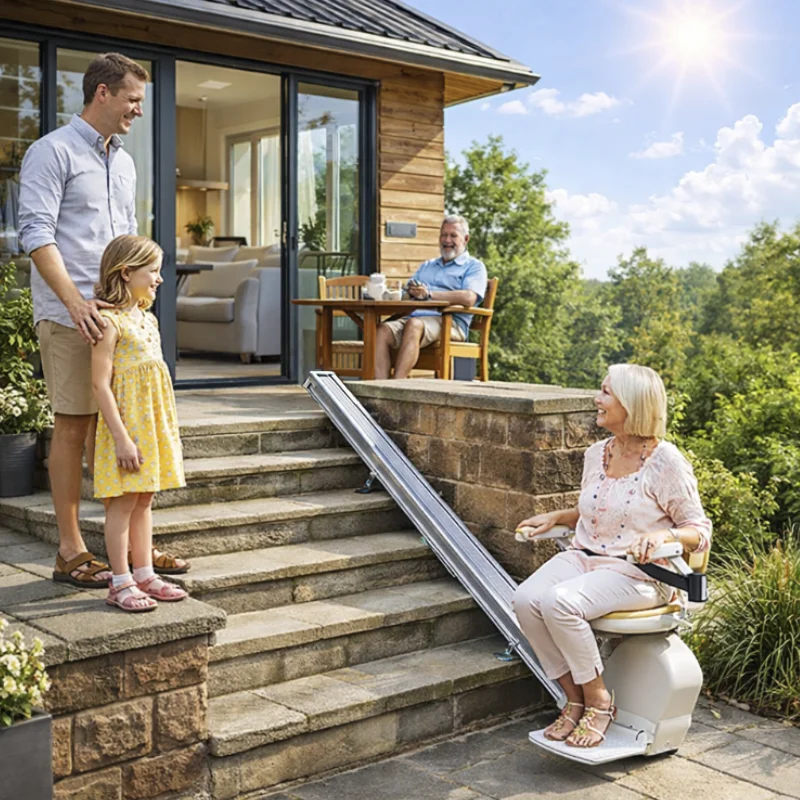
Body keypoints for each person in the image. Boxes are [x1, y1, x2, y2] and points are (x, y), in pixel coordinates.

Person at [18, 52, 188, 586]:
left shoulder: (125, 161)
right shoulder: (52, 152)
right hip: (72, 316)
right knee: (74, 426)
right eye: (133, 100)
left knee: (129, 426)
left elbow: (128, 242)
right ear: (102, 95)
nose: (139, 110)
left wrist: (138, 298)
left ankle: (136, 549)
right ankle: (70, 550)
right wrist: (75, 302)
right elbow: (36, 235)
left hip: (121, 318)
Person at [513, 364, 711, 749]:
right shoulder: (596, 454)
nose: (596, 400)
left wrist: (663, 535)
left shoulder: (665, 462)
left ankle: (599, 701)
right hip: (585, 556)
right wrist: (558, 516)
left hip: (640, 573)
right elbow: (599, 510)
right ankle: (574, 697)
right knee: (525, 599)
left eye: (605, 393)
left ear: (632, 403)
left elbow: (698, 531)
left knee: (559, 603)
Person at [91, 235, 188, 612]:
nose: (159, 278)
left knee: (145, 498)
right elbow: (99, 383)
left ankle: (144, 573)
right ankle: (119, 582)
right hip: (127, 430)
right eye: (152, 271)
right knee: (123, 502)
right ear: (126, 272)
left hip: (151, 427)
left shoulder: (147, 319)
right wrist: (121, 439)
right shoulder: (110, 322)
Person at [374, 215, 487, 379]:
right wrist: (410, 292)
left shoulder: (474, 266)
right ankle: (379, 390)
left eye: (453, 235)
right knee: (381, 331)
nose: (447, 240)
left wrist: (429, 295)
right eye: (443, 235)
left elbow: (469, 297)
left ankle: (396, 387)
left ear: (466, 239)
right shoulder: (428, 265)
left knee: (414, 325)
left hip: (450, 322)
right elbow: (408, 292)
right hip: (414, 317)